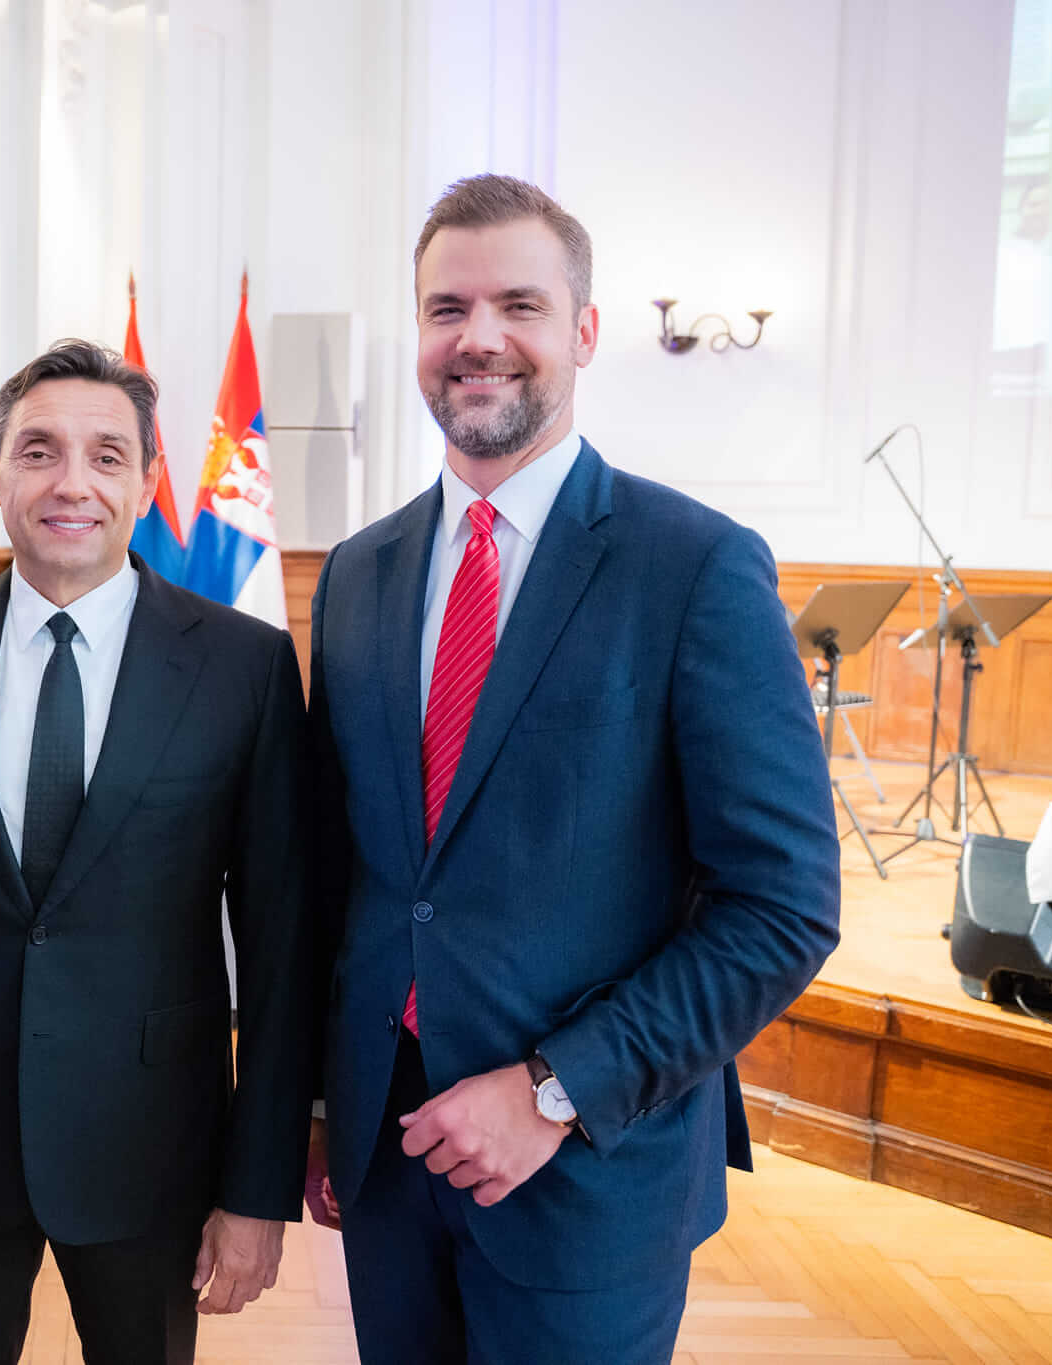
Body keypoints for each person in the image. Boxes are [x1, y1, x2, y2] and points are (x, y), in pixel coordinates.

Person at [303, 175, 841, 1363]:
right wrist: (325, 1100)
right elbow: (348, 875)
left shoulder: (691, 567)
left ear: (582, 331)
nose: (477, 338)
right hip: (388, 1166)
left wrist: (553, 1089)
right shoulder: (357, 575)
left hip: (591, 1170)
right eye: (446, 309)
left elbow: (781, 907)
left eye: (518, 304)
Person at [0, 340, 312, 1365]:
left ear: (145, 479)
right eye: (38, 450)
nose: (70, 483)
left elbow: (280, 952)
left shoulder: (243, 668)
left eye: (105, 455)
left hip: (153, 1149)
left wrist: (256, 1188)